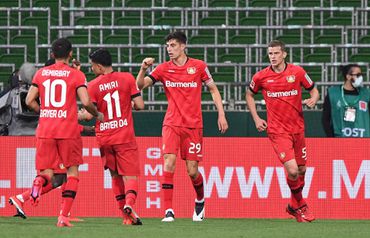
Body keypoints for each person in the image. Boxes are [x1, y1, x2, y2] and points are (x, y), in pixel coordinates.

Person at [136, 31, 228, 222]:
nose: (170, 49)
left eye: (173, 45)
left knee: (192, 170)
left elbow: (213, 89)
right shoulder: (162, 69)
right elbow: (140, 86)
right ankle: (168, 211)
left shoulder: (199, 66)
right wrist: (143, 69)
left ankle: (200, 200)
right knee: (169, 162)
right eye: (168, 46)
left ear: (183, 46)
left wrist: (221, 113)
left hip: (193, 125)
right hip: (171, 123)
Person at [25, 38, 103, 227]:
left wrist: (44, 111)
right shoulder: (76, 76)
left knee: (48, 173)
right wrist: (97, 114)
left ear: (52, 54)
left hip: (45, 129)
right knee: (72, 172)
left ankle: (38, 182)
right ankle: (63, 216)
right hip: (68, 130)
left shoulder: (41, 73)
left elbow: (29, 101)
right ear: (70, 54)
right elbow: (85, 102)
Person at [246, 40, 319, 223]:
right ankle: (301, 205)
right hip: (277, 131)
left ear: (284, 54)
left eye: (276, 53)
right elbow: (249, 94)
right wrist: (256, 118)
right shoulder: (261, 77)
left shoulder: (297, 72)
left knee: (301, 169)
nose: (273, 57)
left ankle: (292, 206)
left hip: (298, 129)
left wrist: (313, 99)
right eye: (270, 53)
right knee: (293, 170)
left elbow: (314, 90)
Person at [78, 48, 144, 225]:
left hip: (105, 138)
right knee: (130, 176)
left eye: (92, 66)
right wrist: (128, 104)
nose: (92, 69)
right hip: (124, 135)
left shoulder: (92, 86)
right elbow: (140, 105)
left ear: (99, 66)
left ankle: (125, 217)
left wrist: (75, 114)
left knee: (115, 176)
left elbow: (89, 115)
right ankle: (129, 205)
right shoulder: (127, 78)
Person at [322, 64, 370, 137]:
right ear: (348, 76)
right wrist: (331, 138)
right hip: (341, 140)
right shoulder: (333, 94)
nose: (361, 78)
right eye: (358, 75)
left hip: (364, 140)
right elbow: (325, 119)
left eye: (361, 75)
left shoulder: (366, 94)